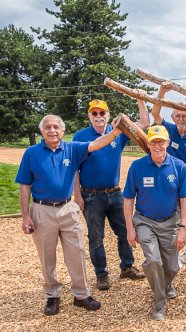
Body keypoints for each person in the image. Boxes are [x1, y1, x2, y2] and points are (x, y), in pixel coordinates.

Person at [16, 114, 124, 316]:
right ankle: (53, 296)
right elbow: (25, 185)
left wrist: (116, 131)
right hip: (42, 210)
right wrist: (25, 216)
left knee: (77, 253)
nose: (52, 130)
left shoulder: (72, 149)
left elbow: (97, 143)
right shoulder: (31, 153)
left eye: (56, 127)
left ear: (63, 130)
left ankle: (81, 295)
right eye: (47, 127)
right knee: (47, 258)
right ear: (42, 131)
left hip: (68, 208)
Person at [73, 98, 149, 290]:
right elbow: (75, 169)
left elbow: (144, 124)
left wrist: (140, 99)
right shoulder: (81, 136)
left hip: (115, 193)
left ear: (108, 114)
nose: (98, 116)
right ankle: (101, 274)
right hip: (91, 195)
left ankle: (127, 266)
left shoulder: (119, 133)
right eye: (94, 113)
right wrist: (77, 195)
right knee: (96, 237)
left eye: (102, 113)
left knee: (125, 231)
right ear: (89, 116)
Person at [123, 125, 186, 321]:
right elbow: (128, 199)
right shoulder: (137, 167)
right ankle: (159, 303)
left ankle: (164, 283)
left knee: (173, 267)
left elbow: (185, 200)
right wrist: (130, 228)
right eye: (153, 141)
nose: (157, 145)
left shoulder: (178, 166)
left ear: (167, 143)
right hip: (145, 221)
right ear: (148, 143)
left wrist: (182, 228)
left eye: (160, 141)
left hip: (171, 221)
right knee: (153, 260)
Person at [147, 97, 186, 268]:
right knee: (173, 219)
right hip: (173, 181)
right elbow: (154, 112)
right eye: (178, 116)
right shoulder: (167, 130)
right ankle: (173, 254)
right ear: (173, 117)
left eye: (185, 116)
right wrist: (162, 92)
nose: (181, 119)